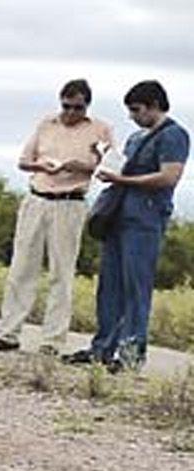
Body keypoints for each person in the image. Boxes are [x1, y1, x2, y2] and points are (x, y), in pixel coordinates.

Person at [0, 80, 113, 355]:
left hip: (69, 202)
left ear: (86, 105)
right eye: (66, 106)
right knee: (22, 268)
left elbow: (110, 165)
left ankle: (52, 340)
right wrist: (41, 165)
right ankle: (8, 332)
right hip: (38, 197)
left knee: (61, 272)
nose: (70, 113)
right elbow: (23, 160)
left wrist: (84, 166)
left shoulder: (100, 129)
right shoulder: (46, 124)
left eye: (77, 108)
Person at [66, 80, 188, 371]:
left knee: (136, 286)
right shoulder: (134, 139)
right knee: (109, 286)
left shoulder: (174, 136)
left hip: (145, 218)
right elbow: (120, 168)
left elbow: (169, 177)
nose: (133, 117)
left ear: (154, 106)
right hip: (119, 217)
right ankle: (103, 348)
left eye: (136, 110)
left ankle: (131, 352)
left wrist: (122, 180)